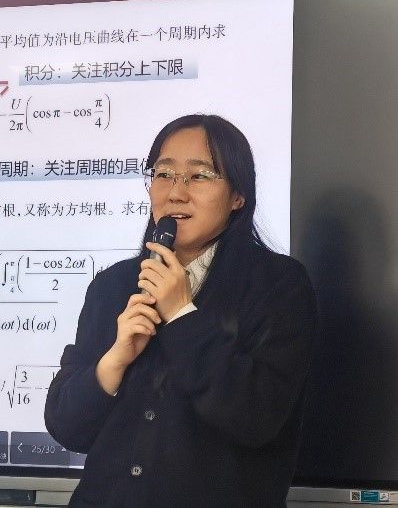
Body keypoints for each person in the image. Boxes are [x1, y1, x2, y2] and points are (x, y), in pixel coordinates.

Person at [44, 114, 317, 507]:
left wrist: (181, 315)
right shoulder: (112, 285)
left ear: (238, 196)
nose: (176, 192)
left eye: (199, 176)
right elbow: (67, 427)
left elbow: (257, 418)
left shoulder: (279, 285)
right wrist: (113, 362)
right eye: (164, 174)